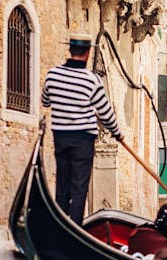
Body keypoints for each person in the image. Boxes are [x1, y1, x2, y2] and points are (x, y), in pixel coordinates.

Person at [42, 33, 124, 224]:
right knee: (79, 187)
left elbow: (45, 101)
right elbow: (105, 113)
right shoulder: (91, 80)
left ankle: (60, 225)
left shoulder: (52, 75)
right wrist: (117, 133)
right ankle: (75, 227)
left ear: (70, 50)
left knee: (62, 185)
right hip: (83, 140)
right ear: (87, 53)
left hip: (61, 137)